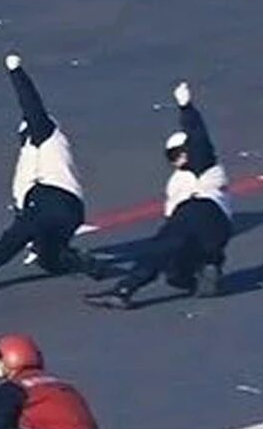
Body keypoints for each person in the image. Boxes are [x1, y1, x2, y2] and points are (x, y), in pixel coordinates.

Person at [0, 53, 100, 291]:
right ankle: (83, 263)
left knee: (15, 236)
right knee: (49, 259)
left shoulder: (46, 137)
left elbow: (32, 106)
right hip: (69, 210)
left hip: (50, 200)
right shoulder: (36, 157)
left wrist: (16, 72)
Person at [86, 81, 232, 309]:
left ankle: (124, 291)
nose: (176, 159)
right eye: (171, 156)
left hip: (197, 209)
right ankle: (207, 267)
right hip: (218, 227)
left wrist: (186, 107)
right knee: (176, 272)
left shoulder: (202, 164)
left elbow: (198, 136)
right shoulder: (187, 177)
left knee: (159, 249)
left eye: (180, 152)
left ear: (189, 150)